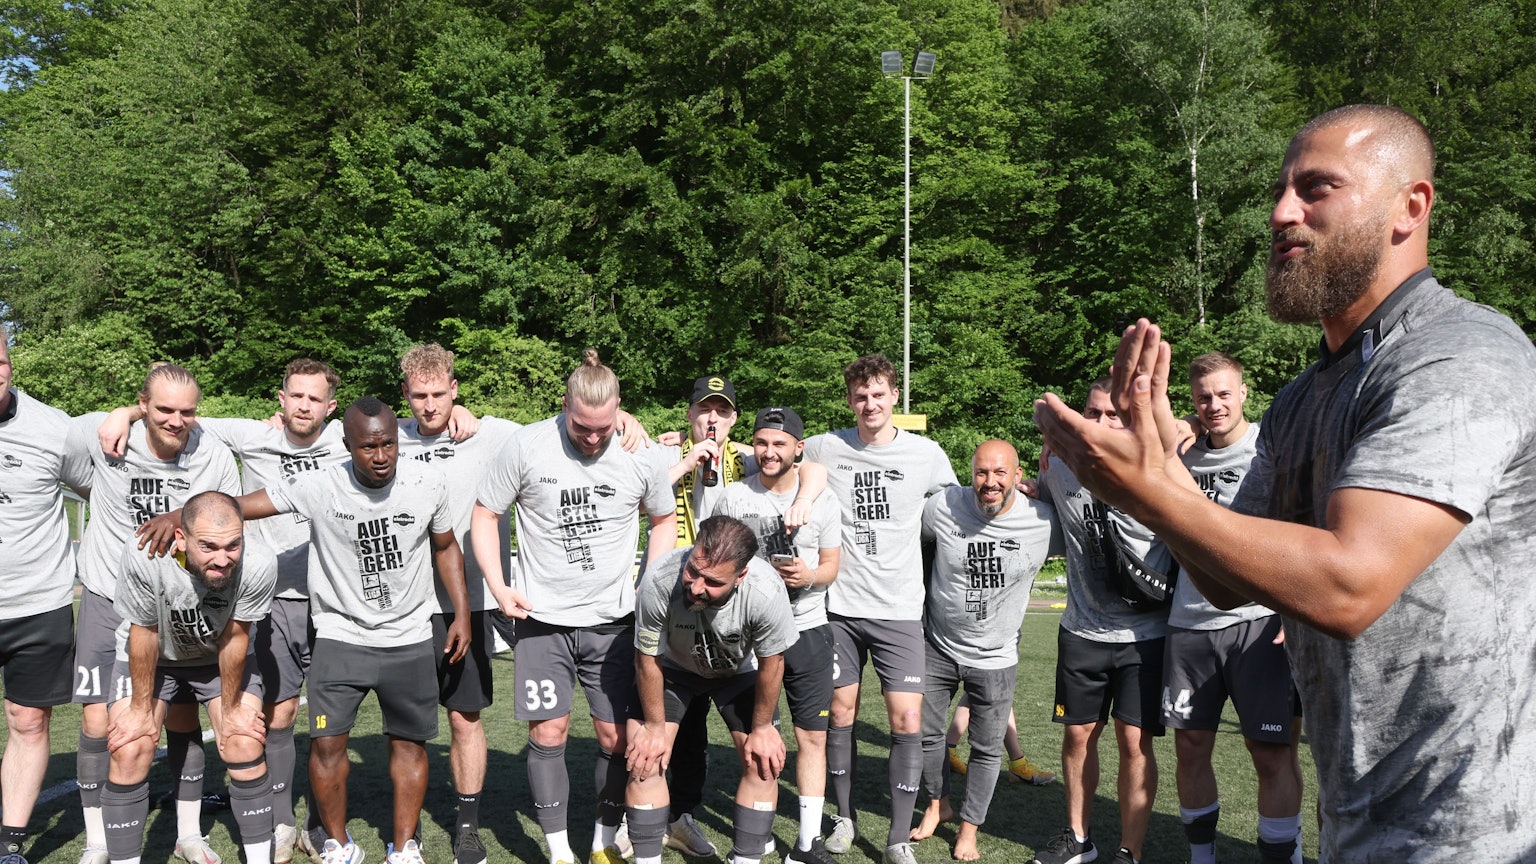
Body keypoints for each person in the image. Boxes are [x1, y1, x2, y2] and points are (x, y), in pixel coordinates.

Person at [1033, 104, 1536, 861]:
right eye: (1281, 189)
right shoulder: (1305, 396)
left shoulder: (1461, 354)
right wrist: (1162, 472)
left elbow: (1349, 587)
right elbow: (1229, 580)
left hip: (1479, 834)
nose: (1280, 213)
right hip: (1354, 822)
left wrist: (1149, 493)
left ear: (1412, 207)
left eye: (1317, 187)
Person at [102, 358, 350, 864]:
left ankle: (291, 830)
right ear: (280, 400)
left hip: (325, 597)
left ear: (330, 405)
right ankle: (272, 826)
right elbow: (174, 416)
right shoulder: (149, 550)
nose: (304, 405)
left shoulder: (348, 441)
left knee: (261, 726)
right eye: (294, 395)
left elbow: (399, 434)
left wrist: (460, 416)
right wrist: (124, 412)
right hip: (218, 622)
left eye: (314, 398)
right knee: (129, 744)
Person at [224, 397, 472, 864]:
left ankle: (404, 847)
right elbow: (246, 505)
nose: (381, 457)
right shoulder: (319, 485)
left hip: (410, 636)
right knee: (327, 745)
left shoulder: (427, 482)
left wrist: (460, 614)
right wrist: (187, 514)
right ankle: (337, 843)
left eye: (389, 445)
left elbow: (445, 547)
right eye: (368, 447)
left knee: (409, 746)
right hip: (340, 636)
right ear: (347, 446)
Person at [471, 350, 677, 864]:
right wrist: (498, 585)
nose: (592, 437)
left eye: (603, 427)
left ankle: (604, 840)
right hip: (542, 622)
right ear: (564, 405)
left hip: (613, 623)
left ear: (620, 411)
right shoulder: (527, 445)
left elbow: (663, 519)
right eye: (582, 426)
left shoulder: (640, 451)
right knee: (549, 730)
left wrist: (649, 585)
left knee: (614, 735)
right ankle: (560, 851)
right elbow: (484, 513)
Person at [68, 364, 242, 864]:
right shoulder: (99, 433)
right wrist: (117, 415)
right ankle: (98, 841)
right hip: (110, 596)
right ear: (142, 403)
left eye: (186, 411)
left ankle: (189, 832)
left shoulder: (212, 451)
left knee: (183, 711)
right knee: (103, 722)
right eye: (164, 408)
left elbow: (227, 512)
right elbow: (59, 466)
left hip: (181, 603)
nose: (176, 420)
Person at [800, 354, 958, 864]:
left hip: (900, 610)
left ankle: (895, 839)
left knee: (907, 720)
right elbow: (773, 454)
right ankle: (844, 819)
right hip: (840, 608)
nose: (870, 403)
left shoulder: (927, 454)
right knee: (840, 713)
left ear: (895, 396)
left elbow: (961, 508)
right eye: (860, 396)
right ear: (850, 400)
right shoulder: (827, 446)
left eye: (878, 394)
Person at [1163, 354, 1301, 864]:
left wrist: (1292, 607)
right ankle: (1202, 858)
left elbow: (1300, 526)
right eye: (1203, 396)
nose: (1214, 404)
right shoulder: (1180, 455)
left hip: (1258, 624)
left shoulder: (1271, 447)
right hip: (1189, 626)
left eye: (1223, 394)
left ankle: (1283, 855)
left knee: (1270, 753)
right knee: (1191, 749)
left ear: (1243, 393)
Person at [1031, 379, 1170, 864]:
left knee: (1134, 743)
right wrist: (1049, 443)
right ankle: (1078, 838)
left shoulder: (1157, 465)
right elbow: (1042, 410)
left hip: (1145, 635)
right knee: (1077, 735)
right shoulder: (1061, 467)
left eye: (1115, 415)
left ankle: (1129, 852)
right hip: (1082, 631)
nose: (1103, 423)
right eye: (1093, 412)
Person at [101, 492, 279, 864]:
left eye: (233, 545)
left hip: (218, 657)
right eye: (209, 547)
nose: (222, 559)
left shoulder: (259, 561)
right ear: (181, 538)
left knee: (242, 740)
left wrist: (230, 710)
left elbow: (235, 638)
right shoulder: (145, 555)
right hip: (156, 655)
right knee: (131, 747)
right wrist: (138, 709)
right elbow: (144, 633)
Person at [394, 344, 520, 864]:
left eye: (439, 394)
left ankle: (466, 826)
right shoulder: (384, 435)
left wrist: (623, 417)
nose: (429, 405)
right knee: (407, 723)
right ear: (405, 395)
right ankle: (408, 827)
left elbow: (573, 428)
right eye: (419, 395)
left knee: (465, 717)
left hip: (468, 605)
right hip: (401, 607)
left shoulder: (493, 435)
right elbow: (302, 432)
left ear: (455, 390)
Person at [910, 440, 1060, 861]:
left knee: (987, 748)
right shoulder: (943, 507)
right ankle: (939, 804)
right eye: (981, 472)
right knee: (926, 735)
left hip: (996, 656)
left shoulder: (1043, 520)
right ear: (970, 473)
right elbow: (901, 535)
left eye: (1000, 473)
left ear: (1017, 476)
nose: (989, 482)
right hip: (937, 644)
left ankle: (970, 829)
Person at [623, 515, 797, 864]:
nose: (697, 586)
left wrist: (762, 728)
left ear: (741, 576)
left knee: (763, 760)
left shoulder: (766, 590)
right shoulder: (660, 579)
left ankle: (745, 859)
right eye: (693, 571)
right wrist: (655, 729)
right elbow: (647, 659)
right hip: (672, 668)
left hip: (737, 672)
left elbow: (772, 663)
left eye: (713, 581)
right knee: (646, 758)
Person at [715, 407, 842, 864]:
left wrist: (808, 576)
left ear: (798, 450)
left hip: (807, 629)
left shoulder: (823, 500)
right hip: (746, 637)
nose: (770, 452)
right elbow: (714, 558)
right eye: (762, 443)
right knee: (754, 737)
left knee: (813, 737)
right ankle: (756, 837)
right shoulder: (732, 496)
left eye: (780, 444)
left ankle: (807, 844)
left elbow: (831, 566)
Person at [0, 325, 95, 864]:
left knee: (28, 719)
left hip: (39, 601)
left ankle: (10, 843)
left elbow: (97, 489)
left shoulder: (52, 429)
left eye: (0, 360)